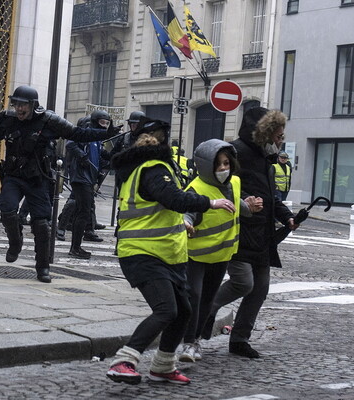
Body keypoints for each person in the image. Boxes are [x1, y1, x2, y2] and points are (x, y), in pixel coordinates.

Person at [105, 116, 235, 385]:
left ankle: (163, 366)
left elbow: (163, 209)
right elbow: (172, 198)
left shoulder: (144, 167)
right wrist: (210, 202)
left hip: (164, 254)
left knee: (184, 310)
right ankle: (124, 360)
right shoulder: (153, 168)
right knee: (166, 309)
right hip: (142, 252)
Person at [0, 85, 119, 283]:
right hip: (14, 176)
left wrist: (105, 134)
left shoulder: (49, 120)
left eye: (23, 105)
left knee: (41, 224)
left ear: (33, 105)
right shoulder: (7, 119)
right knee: (7, 207)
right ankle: (15, 242)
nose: (19, 109)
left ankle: (42, 267)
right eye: (16, 104)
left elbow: (77, 133)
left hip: (38, 178)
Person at [200, 107, 298, 359]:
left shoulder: (267, 158)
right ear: (264, 133)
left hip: (262, 235)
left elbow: (270, 196)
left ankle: (240, 339)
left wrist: (287, 216)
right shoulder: (236, 152)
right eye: (277, 135)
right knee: (244, 282)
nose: (281, 139)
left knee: (260, 288)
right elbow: (219, 186)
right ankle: (206, 310)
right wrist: (245, 202)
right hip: (240, 231)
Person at [178, 139, 263, 363]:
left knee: (207, 299)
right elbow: (187, 212)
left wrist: (249, 207)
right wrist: (186, 223)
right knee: (194, 297)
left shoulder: (234, 182)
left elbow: (238, 205)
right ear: (207, 166)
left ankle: (194, 340)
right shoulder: (196, 188)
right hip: (195, 255)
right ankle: (187, 343)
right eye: (219, 164)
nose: (224, 168)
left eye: (227, 163)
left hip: (222, 255)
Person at [65, 110, 111, 258]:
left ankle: (75, 246)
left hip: (88, 178)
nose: (105, 126)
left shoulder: (97, 140)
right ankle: (75, 248)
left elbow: (102, 159)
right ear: (95, 121)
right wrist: (82, 156)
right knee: (83, 212)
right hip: (81, 178)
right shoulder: (86, 134)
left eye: (107, 123)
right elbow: (70, 144)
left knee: (82, 212)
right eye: (103, 123)